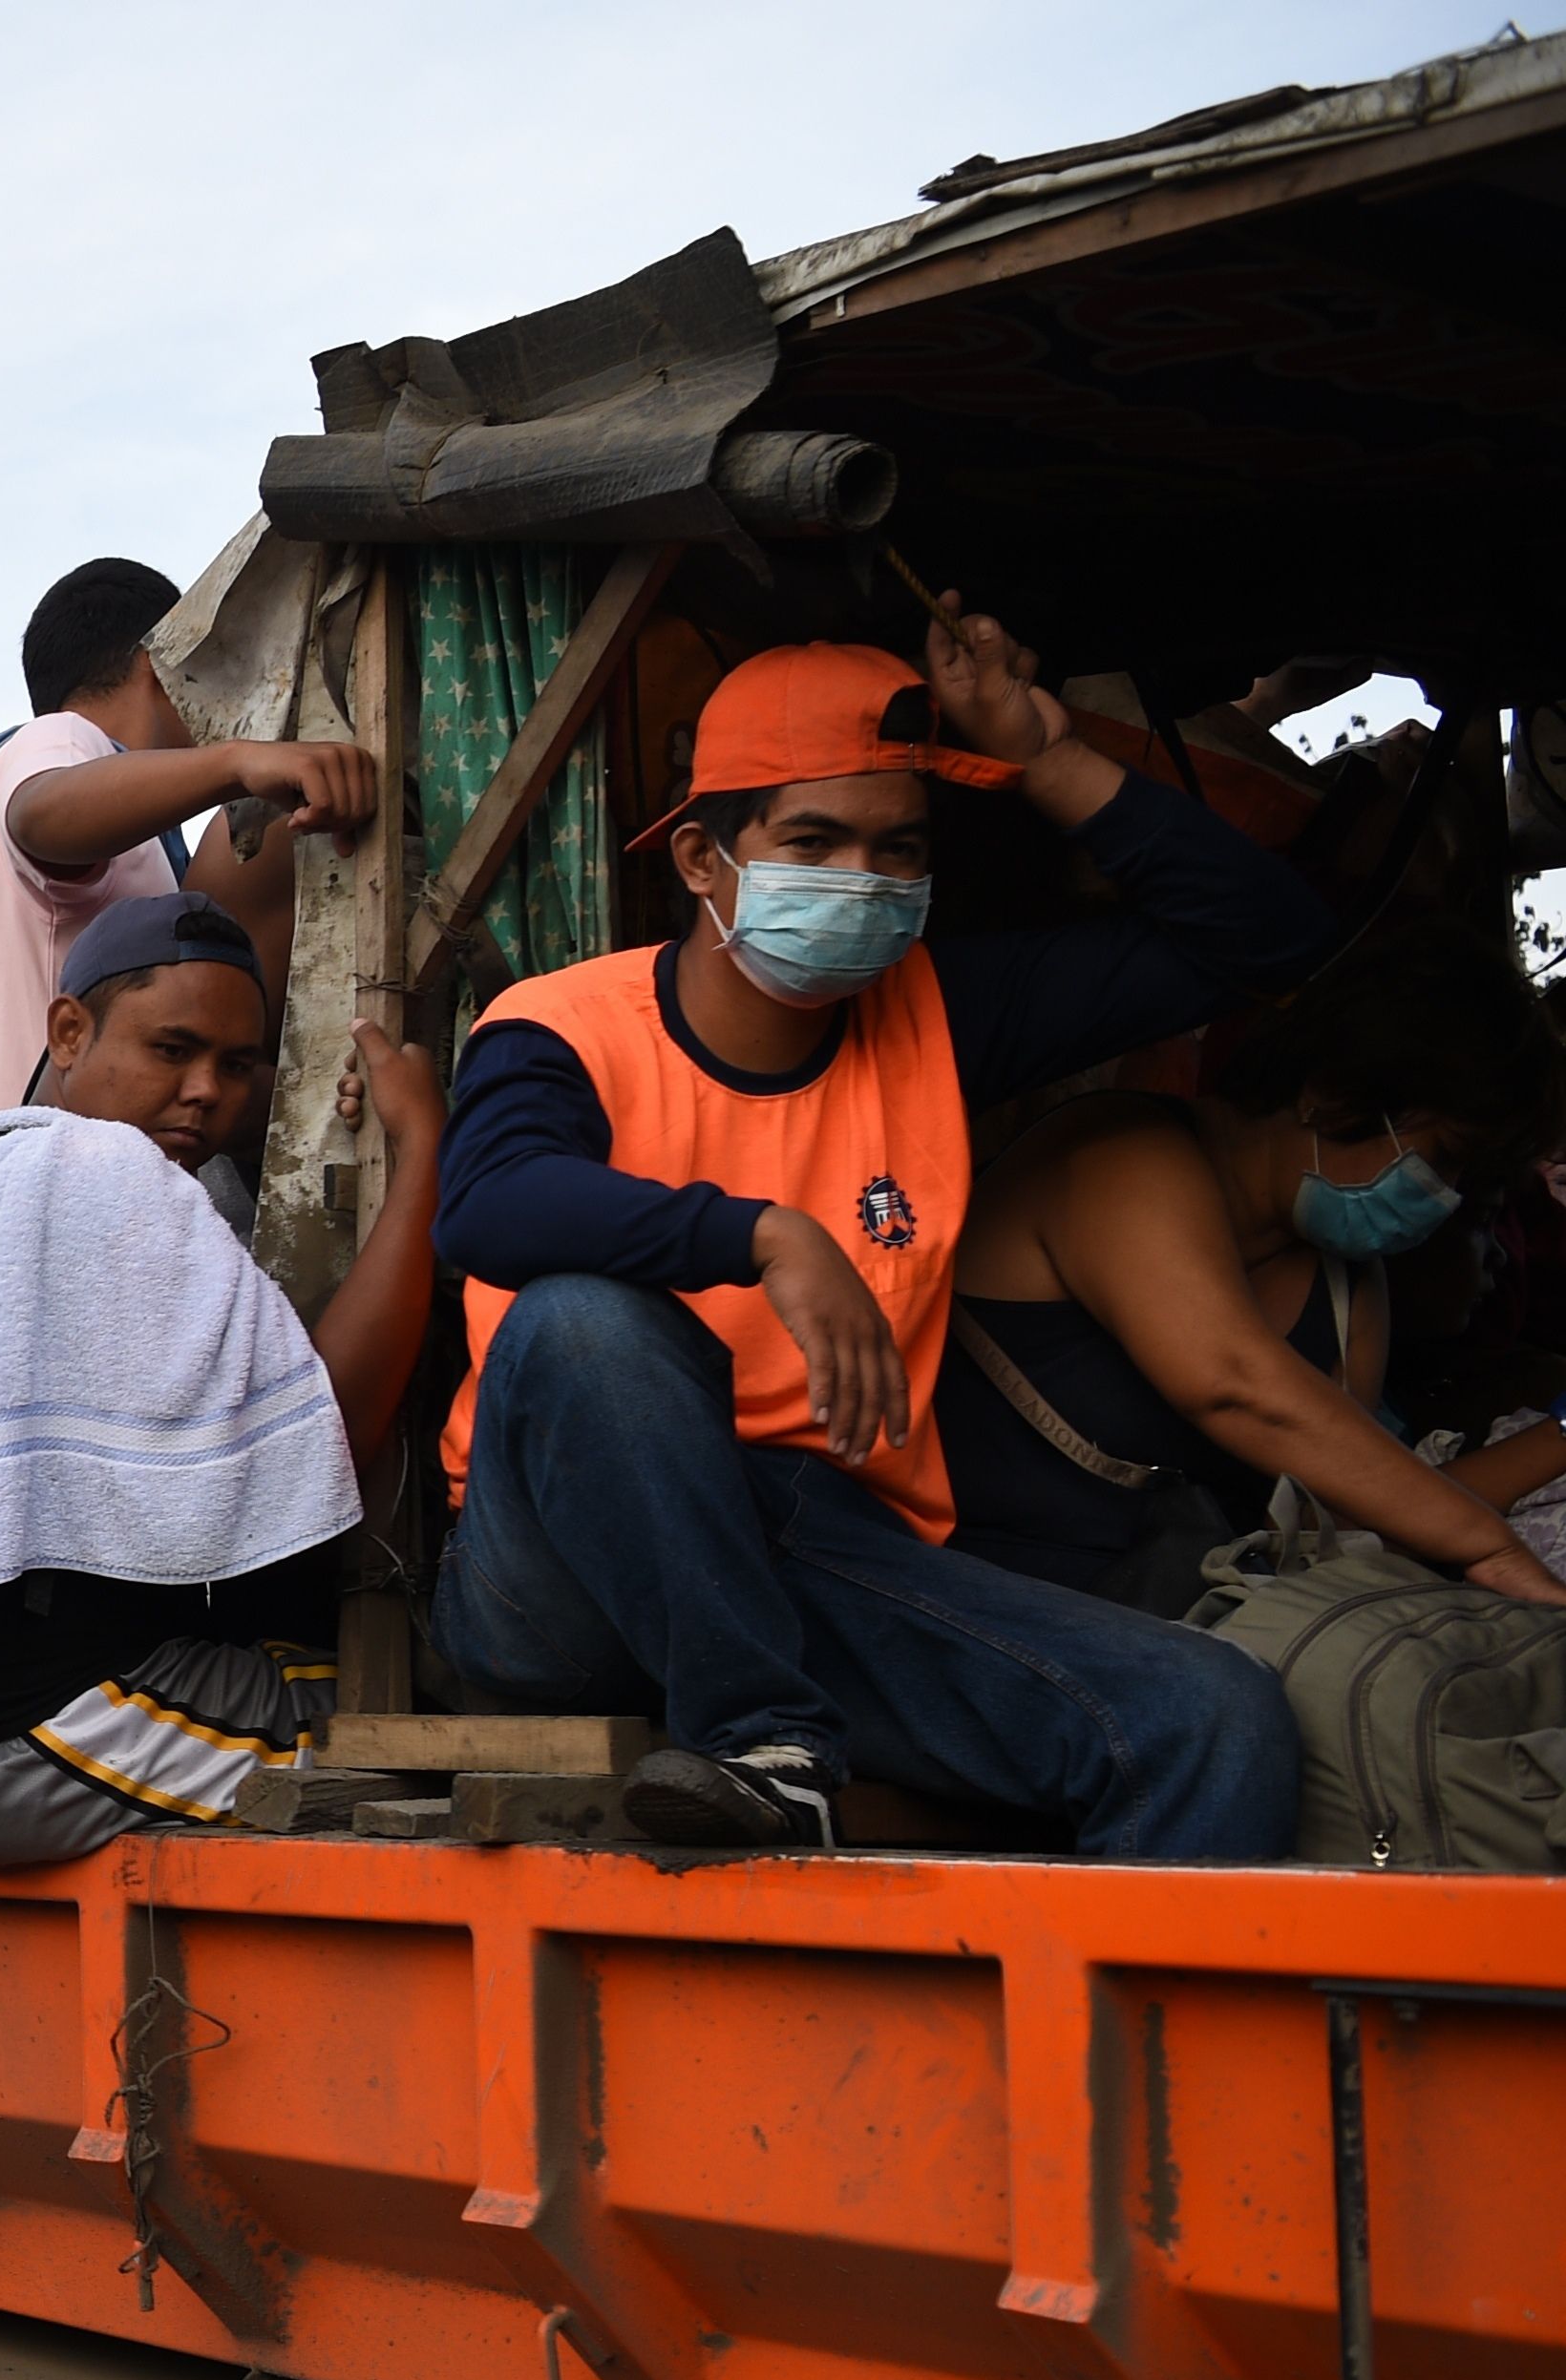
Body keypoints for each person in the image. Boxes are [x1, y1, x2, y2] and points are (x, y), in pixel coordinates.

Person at [429, 618, 1329, 1856]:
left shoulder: (934, 1016)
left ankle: (1097, 1997)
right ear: (700, 858)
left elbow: (1270, 942)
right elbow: (488, 1204)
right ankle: (766, 1745)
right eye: (813, 842)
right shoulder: (562, 1026)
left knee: (1213, 1716)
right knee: (581, 1322)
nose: (860, 878)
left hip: (815, 1550)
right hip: (560, 1567)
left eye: (896, 848)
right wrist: (764, 1236)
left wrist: (1048, 758)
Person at [0, 891, 443, 1864]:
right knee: (405, 1737)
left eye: (238, 1066)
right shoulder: (113, 1171)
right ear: (68, 1031)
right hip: (34, 1743)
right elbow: (332, 1433)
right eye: (170, 1050)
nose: (205, 1091)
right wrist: (421, 1152)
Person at [943, 926, 1566, 1612]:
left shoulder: (1348, 1287)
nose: (1446, 1195)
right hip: (975, 1596)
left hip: (1167, 1623)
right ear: (1333, 1092)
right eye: (1442, 1156)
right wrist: (1489, 1545)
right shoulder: (1123, 1159)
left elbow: (1352, 1512)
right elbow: (1236, 1386)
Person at [0, 555, 378, 1185]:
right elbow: (41, 813)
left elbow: (177, 1077)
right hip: (42, 1189)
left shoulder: (139, 844)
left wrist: (325, 1095)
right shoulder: (63, 740)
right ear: (162, 666)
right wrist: (239, 762)